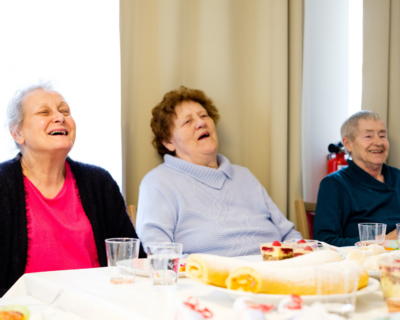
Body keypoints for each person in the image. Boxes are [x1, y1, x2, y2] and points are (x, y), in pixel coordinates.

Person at [0, 83, 145, 297]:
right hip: (27, 311)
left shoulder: (99, 182)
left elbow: (134, 260)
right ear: (17, 132)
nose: (60, 117)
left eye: (65, 111)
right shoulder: (3, 185)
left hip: (98, 303)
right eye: (44, 112)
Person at [136, 86, 302, 256]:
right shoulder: (158, 183)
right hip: (208, 280)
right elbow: (159, 254)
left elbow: (289, 235)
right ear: (168, 142)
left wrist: (301, 254)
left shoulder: (244, 176)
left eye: (204, 116)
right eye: (187, 121)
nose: (201, 123)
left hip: (274, 271)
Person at [313, 111, 400, 247]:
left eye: (382, 135)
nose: (378, 142)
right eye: (368, 136)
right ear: (348, 144)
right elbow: (325, 242)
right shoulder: (335, 184)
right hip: (363, 263)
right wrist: (384, 242)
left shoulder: (398, 177)